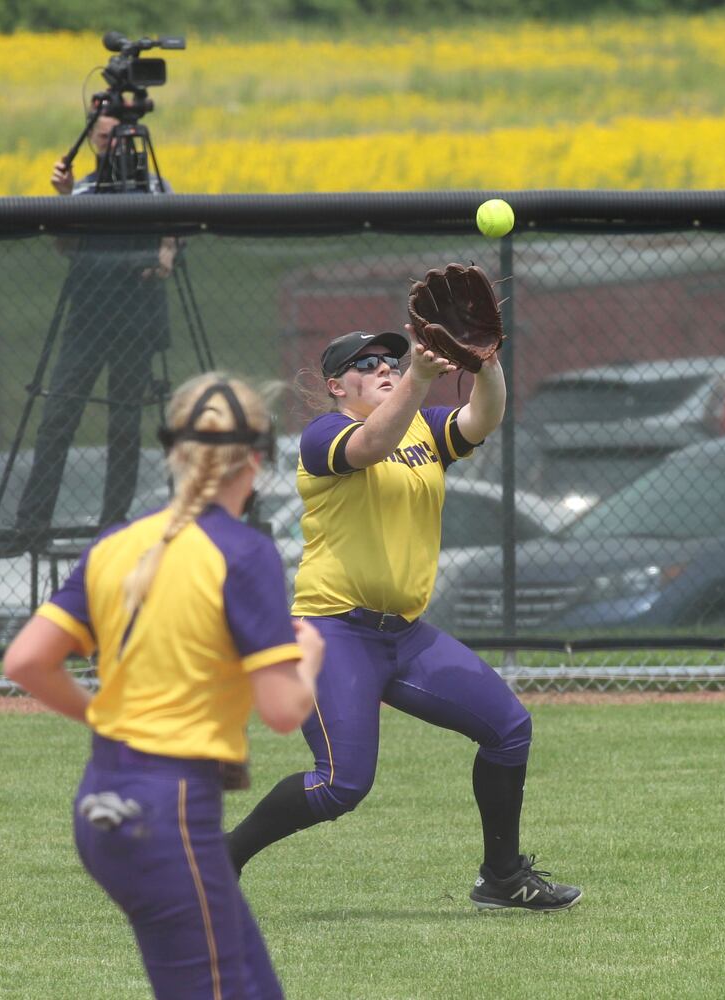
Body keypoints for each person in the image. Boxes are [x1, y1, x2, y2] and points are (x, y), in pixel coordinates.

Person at [226, 328, 582, 912]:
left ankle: (501, 878)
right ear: (337, 386)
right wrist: (418, 375)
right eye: (365, 364)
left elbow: (482, 418)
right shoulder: (325, 434)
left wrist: (485, 362)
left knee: (508, 730)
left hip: (405, 636)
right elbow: (368, 447)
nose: (386, 366)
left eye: (391, 358)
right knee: (342, 783)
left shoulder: (421, 429)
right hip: (332, 631)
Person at [3, 372, 325, 999]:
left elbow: (25, 662)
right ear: (257, 460)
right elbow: (285, 711)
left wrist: (103, 716)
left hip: (106, 797)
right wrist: (310, 655)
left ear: (173, 453)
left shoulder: (116, 545)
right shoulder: (243, 551)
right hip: (169, 809)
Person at [11, 113, 178, 546]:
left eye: (116, 137)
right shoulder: (82, 189)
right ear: (93, 142)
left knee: (124, 423)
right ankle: (31, 525)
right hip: (86, 322)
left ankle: (113, 523)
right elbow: (64, 246)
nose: (109, 145)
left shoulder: (155, 188)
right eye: (101, 138)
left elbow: (173, 239)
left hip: (136, 324)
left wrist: (166, 252)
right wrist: (65, 199)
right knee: (57, 418)